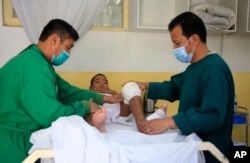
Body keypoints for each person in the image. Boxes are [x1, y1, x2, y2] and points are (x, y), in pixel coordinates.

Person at [0, 19, 122, 163]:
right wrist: (85, 106)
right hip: (13, 143)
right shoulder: (34, 67)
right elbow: (51, 115)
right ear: (54, 40)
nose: (69, 53)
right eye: (68, 47)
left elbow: (68, 92)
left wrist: (104, 99)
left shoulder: (39, 63)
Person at [128, 12, 235, 163]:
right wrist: (146, 86)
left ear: (194, 40)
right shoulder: (195, 68)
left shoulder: (214, 69)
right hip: (193, 144)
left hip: (211, 150)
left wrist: (169, 122)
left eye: (177, 43)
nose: (174, 48)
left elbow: (213, 115)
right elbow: (175, 88)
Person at [89, 73, 167, 130]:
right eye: (97, 82)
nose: (102, 85)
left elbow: (122, 98)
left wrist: (111, 92)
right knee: (90, 105)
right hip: (100, 113)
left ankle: (143, 121)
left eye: (105, 82)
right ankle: (99, 124)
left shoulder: (111, 93)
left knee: (128, 90)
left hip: (120, 114)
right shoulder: (89, 93)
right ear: (91, 87)